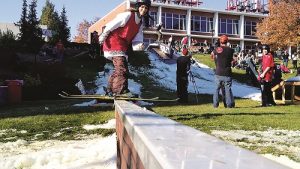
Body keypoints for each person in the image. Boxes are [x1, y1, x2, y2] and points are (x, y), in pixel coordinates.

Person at [98, 0, 151, 97]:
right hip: (113, 41)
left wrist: (139, 45)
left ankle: (110, 89)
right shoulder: (128, 15)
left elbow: (137, 38)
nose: (143, 10)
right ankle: (120, 91)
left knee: (119, 68)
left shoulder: (140, 23)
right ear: (138, 7)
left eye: (146, 8)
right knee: (122, 68)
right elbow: (112, 24)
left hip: (123, 45)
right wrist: (103, 35)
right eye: (142, 7)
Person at [213, 35, 235, 108]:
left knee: (216, 89)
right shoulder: (231, 50)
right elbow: (233, 59)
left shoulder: (218, 49)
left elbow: (213, 55)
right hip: (227, 73)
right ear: (227, 41)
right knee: (227, 89)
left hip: (218, 72)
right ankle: (229, 105)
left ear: (220, 41)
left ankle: (215, 105)